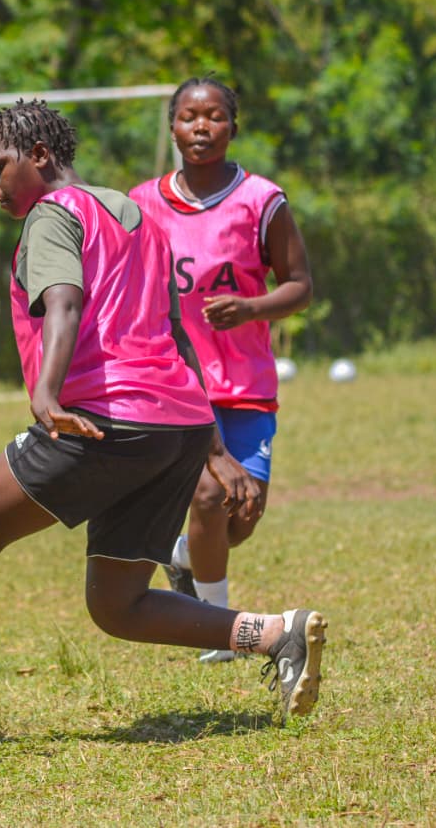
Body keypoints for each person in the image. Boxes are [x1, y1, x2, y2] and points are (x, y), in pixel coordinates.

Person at [0, 100, 327, 756]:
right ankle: (277, 632)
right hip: (175, 423)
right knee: (117, 602)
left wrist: (46, 393)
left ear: (39, 157)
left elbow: (63, 300)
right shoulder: (139, 216)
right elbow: (175, 333)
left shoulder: (52, 215)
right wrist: (214, 447)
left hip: (105, 416)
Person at [129, 77, 313, 663]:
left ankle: (184, 556)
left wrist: (251, 308)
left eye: (213, 116)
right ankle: (223, 630)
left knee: (240, 518)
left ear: (233, 126)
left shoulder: (262, 200)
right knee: (209, 495)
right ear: (172, 127)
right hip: (179, 387)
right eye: (188, 117)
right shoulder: (142, 204)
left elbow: (301, 286)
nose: (201, 127)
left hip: (247, 386)